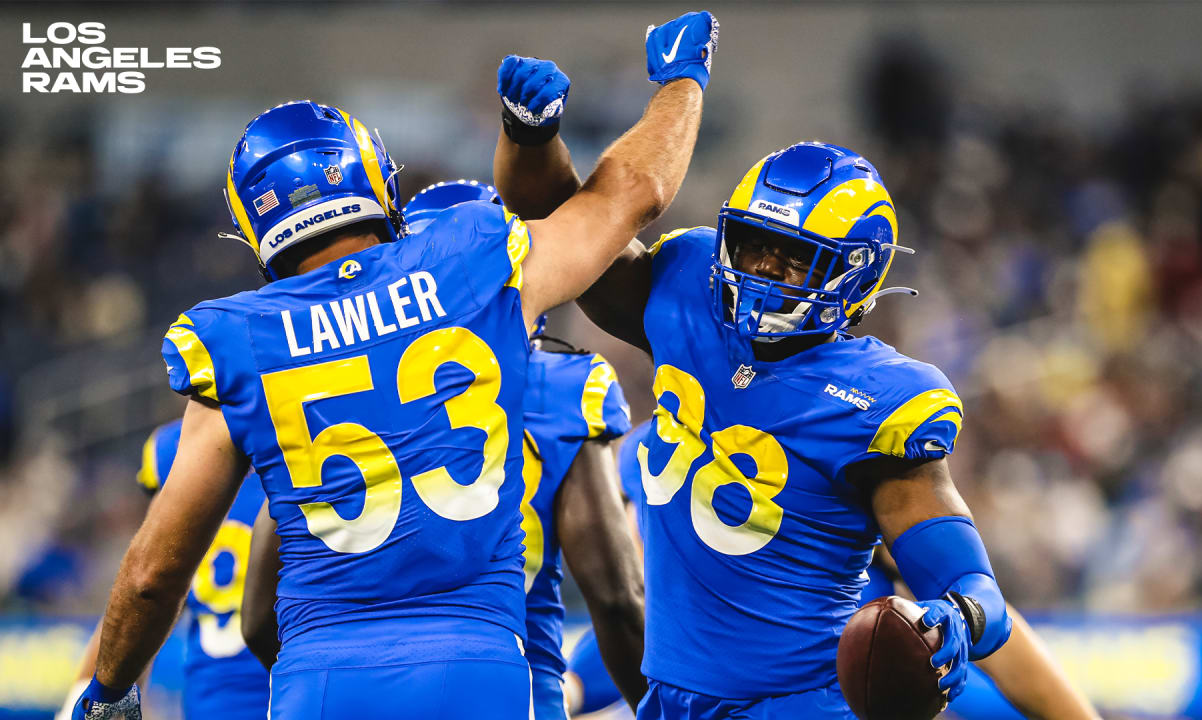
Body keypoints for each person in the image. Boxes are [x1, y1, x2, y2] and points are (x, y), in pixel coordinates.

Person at [69, 10, 716, 719]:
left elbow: (156, 572)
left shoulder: (236, 337)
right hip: (479, 664)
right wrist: (681, 85)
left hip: (321, 674)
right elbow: (633, 195)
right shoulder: (472, 259)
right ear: (376, 180)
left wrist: (106, 693)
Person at [496, 60, 1013, 719]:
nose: (764, 271)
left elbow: (975, 587)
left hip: (797, 706)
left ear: (854, 276)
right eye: (752, 246)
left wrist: (960, 615)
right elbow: (559, 221)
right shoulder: (685, 300)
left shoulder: (878, 398)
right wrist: (533, 137)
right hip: (672, 701)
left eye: (793, 256)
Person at [239, 181, 649, 720]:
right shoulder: (563, 389)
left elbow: (258, 620)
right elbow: (617, 598)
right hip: (506, 688)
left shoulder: (330, 389)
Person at [569, 428, 1101, 720]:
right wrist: (567, 688)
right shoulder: (650, 446)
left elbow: (973, 626)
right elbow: (644, 604)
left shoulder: (837, 431)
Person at [57, 421, 269, 720]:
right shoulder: (311, 424)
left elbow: (148, 586)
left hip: (222, 699)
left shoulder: (174, 444)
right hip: (302, 688)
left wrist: (90, 699)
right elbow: (148, 583)